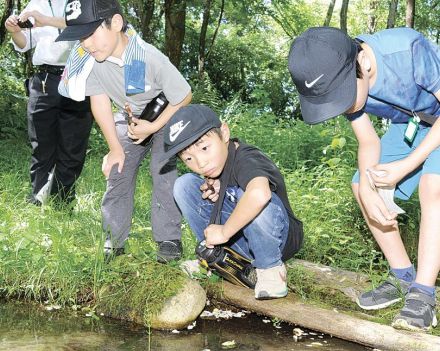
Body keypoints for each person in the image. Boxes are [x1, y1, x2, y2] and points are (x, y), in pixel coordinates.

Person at [288, 26, 440, 331]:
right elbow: (369, 142)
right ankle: (402, 276)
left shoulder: (406, 50)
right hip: (416, 123)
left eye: (341, 98)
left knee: (432, 185)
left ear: (365, 64)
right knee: (361, 183)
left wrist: (408, 164)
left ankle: (423, 294)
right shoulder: (340, 76)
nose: (341, 106)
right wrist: (370, 188)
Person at [55, 0, 191, 262]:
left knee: (161, 169)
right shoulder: (90, 60)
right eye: (81, 37)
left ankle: (168, 239)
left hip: (164, 115)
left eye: (91, 34)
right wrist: (115, 149)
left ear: (115, 23)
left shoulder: (150, 57)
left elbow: (183, 96)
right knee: (118, 170)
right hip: (130, 118)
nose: (86, 44)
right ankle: (113, 242)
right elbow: (100, 101)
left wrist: (153, 126)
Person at [161, 104, 303, 299]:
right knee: (184, 185)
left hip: (278, 240)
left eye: (204, 148)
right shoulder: (218, 167)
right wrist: (220, 188)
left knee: (253, 196)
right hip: (242, 241)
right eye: (188, 158)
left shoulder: (248, 157)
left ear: (224, 133)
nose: (200, 163)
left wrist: (224, 231)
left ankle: (270, 269)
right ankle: (215, 260)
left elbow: (260, 194)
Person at [4, 0, 93, 206]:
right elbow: (24, 43)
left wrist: (46, 21)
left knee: (72, 148)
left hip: (79, 78)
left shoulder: (83, 2)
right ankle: (38, 198)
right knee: (41, 145)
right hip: (44, 80)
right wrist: (13, 30)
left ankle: (62, 202)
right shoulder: (37, 3)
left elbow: (86, 25)